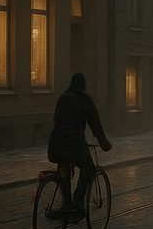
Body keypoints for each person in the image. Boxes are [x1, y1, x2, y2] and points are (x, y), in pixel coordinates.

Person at [47, 72, 112, 220]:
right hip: (74, 142)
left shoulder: (63, 97)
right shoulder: (86, 100)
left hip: (56, 143)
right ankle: (77, 203)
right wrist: (104, 143)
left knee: (64, 168)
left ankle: (66, 205)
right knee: (88, 167)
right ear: (83, 86)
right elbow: (95, 124)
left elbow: (57, 119)